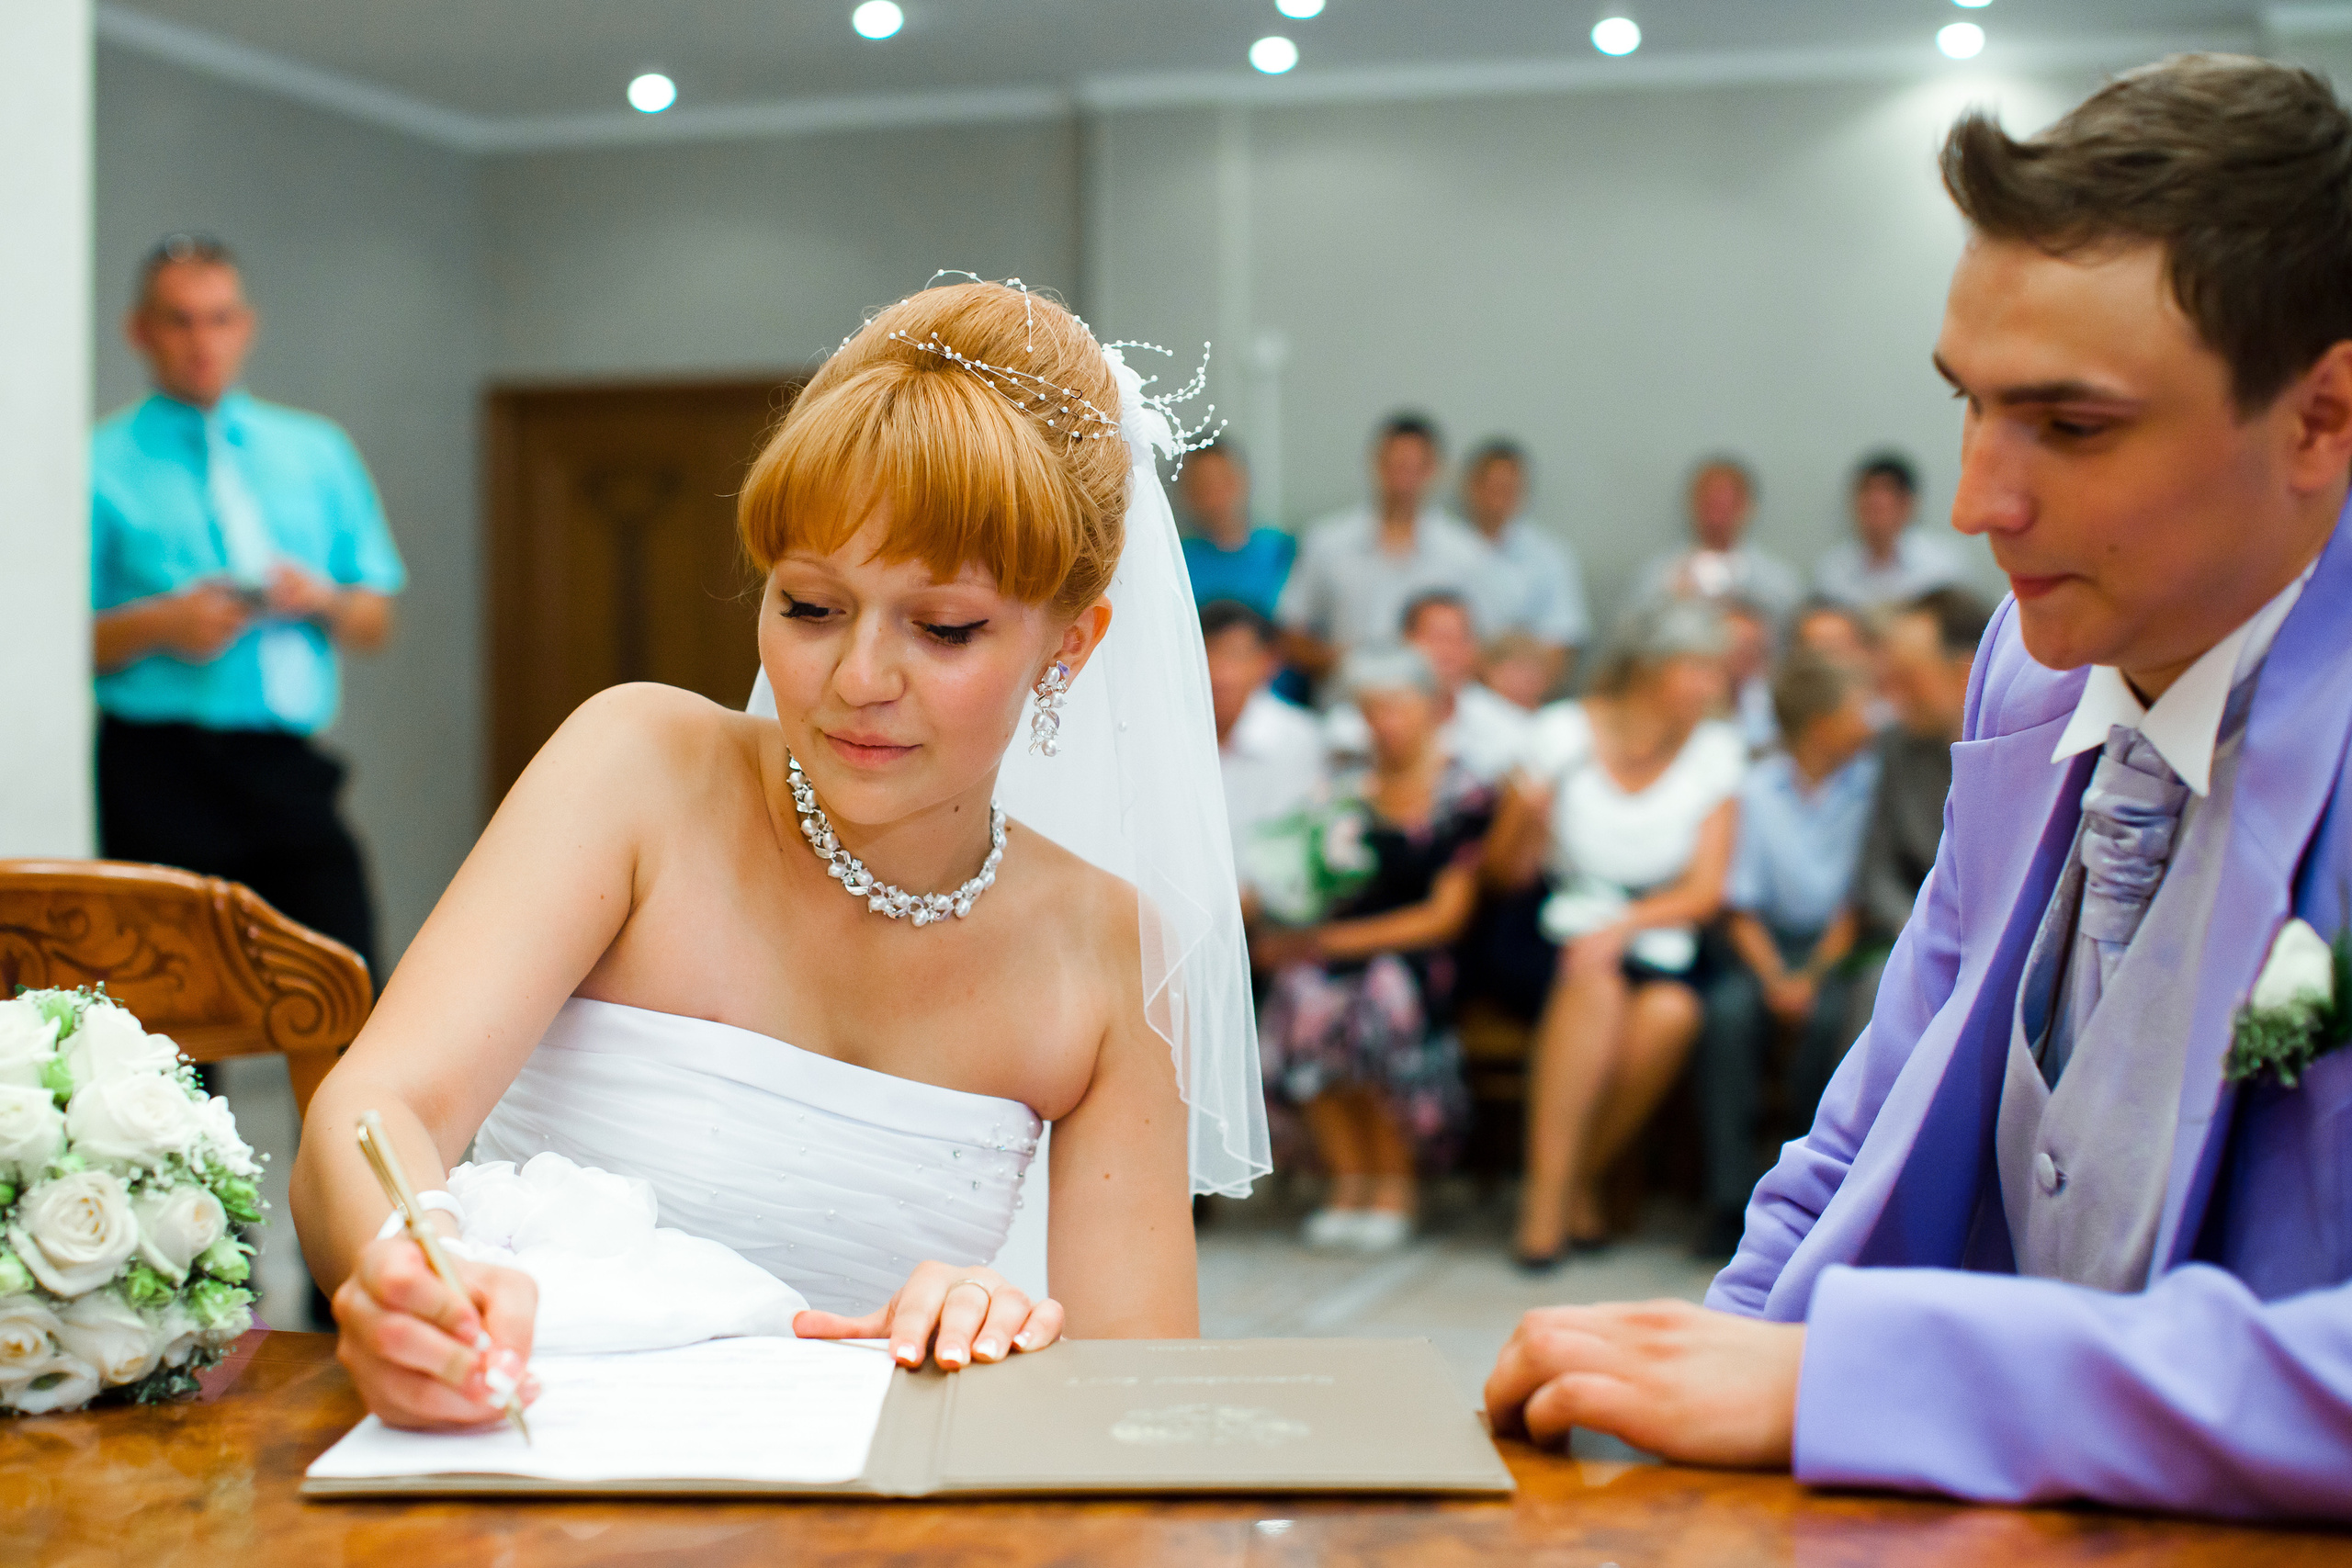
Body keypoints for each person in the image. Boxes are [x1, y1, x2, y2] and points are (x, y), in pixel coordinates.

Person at [1486, 55, 2352, 1519]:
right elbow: (1877, 1103)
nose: (1978, 504)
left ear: (2322, 415)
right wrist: (1723, 1355)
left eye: (2072, 427)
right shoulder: (2027, 653)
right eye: (1969, 404)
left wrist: (1856, 1376)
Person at [293, 280, 1269, 1430]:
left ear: (1071, 642)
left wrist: (999, 1332)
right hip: (513, 1452)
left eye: (944, 627)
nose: (858, 678)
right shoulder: (639, 769)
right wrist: (414, 1264)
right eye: (810, 606)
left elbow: (1138, 1413)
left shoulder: (1114, 955)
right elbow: (376, 1102)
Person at [90, 233, 404, 979]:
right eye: (180, 320)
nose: (203, 340)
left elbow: (375, 617)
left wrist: (319, 598)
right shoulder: (95, 462)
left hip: (284, 767)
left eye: (220, 318)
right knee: (165, 1013)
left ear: (247, 326)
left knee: (344, 982)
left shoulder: (316, 451)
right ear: (142, 331)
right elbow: (45, 642)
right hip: (157, 766)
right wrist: (160, 625)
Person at [1484, 603, 1745, 1266]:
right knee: (1592, 986)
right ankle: (1546, 1209)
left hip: (1656, 929)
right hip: (1552, 923)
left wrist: (1625, 925)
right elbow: (1501, 874)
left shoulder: (1717, 749)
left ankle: (1570, 1179)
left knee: (1673, 1011)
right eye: (1702, 670)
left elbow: (1705, 891)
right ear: (1654, 669)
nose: (1715, 687)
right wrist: (1528, 823)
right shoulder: (1560, 732)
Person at [1252, 647, 1490, 1252]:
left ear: (1433, 709)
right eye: (1372, 709)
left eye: (1396, 706)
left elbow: (1447, 915)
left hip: (1417, 952)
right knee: (1303, 996)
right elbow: (1310, 878)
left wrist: (1328, 940)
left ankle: (1394, 1183)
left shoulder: (1463, 791)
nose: (1384, 721)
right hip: (1337, 944)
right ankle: (1348, 1176)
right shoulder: (1344, 787)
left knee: (1377, 1000)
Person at [1693, 651, 1881, 1258]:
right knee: (1725, 1015)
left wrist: (1810, 975)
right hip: (1763, 943)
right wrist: (1777, 974)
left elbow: (1855, 902)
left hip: (1836, 947)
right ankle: (1726, 1199)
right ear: (1821, 722)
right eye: (1857, 704)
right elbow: (1739, 902)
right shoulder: (1756, 789)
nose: (1870, 716)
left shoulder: (1871, 784)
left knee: (1835, 1024)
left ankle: (1809, 1197)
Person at [1838, 586, 1992, 1052]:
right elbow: (1875, 870)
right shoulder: (1897, 749)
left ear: (1965, 671)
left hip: (1994, 945)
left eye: (1907, 679)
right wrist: (1923, 932)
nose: (1892, 697)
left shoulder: (2018, 752)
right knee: (1874, 987)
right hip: (1913, 931)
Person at [1277, 413, 1493, 684]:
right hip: (1344, 706)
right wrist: (1339, 660)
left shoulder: (1465, 553)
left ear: (1434, 470)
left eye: (1414, 468)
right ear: (1375, 463)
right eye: (1395, 465)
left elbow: (1485, 645)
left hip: (1432, 713)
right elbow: (1291, 632)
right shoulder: (1327, 542)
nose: (1403, 479)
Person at [1324, 592, 1532, 784]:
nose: (1447, 652)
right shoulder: (1351, 724)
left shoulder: (1509, 728)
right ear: (1403, 642)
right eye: (1436, 638)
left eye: (1459, 638)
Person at [1459, 440, 1590, 694]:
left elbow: (1561, 644)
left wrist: (1514, 689)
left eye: (1508, 488)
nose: (1498, 496)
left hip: (1525, 698)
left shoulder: (1550, 557)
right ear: (1471, 487)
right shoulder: (1444, 551)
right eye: (1492, 486)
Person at [1204, 600, 1325, 868]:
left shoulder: (1298, 737)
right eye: (1208, 655)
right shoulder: (1167, 733)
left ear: (1268, 663)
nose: (1219, 673)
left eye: (1235, 656)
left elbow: (1290, 843)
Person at [1632, 457, 1803, 626]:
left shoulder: (1777, 579)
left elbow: (1791, 633)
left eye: (1727, 505)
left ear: (1749, 508)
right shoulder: (1661, 573)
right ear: (1691, 504)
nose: (1717, 517)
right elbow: (1628, 633)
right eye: (1710, 504)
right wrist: (1669, 599)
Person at [1813, 451, 1972, 612]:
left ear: (1908, 503)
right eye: (1866, 494)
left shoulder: (1944, 565)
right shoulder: (1832, 571)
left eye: (1885, 495)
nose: (1874, 503)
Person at [1178, 438, 1295, 623]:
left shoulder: (1283, 551)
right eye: (1203, 486)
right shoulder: (1179, 560)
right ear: (1187, 492)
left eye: (1222, 482)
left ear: (1243, 480)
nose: (1214, 497)